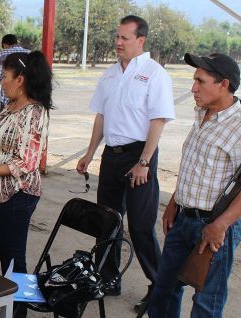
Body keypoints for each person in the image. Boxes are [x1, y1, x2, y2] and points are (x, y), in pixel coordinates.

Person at [147, 53, 241, 318]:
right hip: (183, 220)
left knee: (206, 303)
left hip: (213, 227)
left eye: (200, 81)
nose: (193, 88)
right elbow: (194, 166)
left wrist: (219, 226)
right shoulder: (203, 113)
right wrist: (174, 203)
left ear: (223, 84)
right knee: (163, 291)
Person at [75, 15, 175, 312]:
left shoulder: (154, 74)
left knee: (141, 226)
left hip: (139, 156)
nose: (118, 43)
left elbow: (158, 121)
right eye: (117, 37)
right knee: (106, 220)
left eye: (124, 38)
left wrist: (144, 162)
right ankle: (107, 279)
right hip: (111, 156)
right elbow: (101, 117)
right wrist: (90, 153)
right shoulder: (109, 74)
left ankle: (159, 286)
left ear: (140, 40)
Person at [0, 51, 51, 276]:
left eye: (4, 76)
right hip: (0, 191)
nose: (1, 82)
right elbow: (8, 140)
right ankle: (10, 306)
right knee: (4, 251)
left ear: (20, 80)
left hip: (18, 193)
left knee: (14, 257)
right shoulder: (11, 105)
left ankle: (18, 309)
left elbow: (26, 162)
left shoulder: (34, 113)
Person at [0, 34, 30, 111]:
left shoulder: (2, 54)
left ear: (4, 44)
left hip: (6, 99)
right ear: (16, 42)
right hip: (26, 99)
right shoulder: (29, 53)